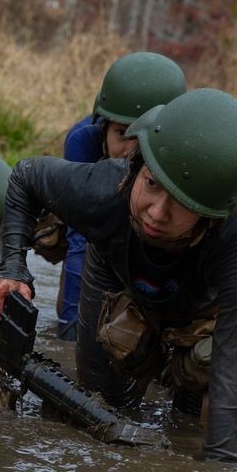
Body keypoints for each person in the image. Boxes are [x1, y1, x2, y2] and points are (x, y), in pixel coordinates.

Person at [0, 88, 237, 463]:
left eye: (180, 205)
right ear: (135, 167)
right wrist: (11, 269)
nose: (156, 213)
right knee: (99, 411)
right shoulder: (104, 186)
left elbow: (235, 377)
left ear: (210, 217)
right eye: (152, 184)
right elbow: (25, 178)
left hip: (200, 313)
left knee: (192, 419)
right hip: (116, 278)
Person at [55, 52, 187, 342]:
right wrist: (71, 334)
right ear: (102, 128)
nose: (130, 150)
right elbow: (80, 242)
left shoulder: (182, 156)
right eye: (122, 133)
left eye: (143, 136)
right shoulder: (82, 143)